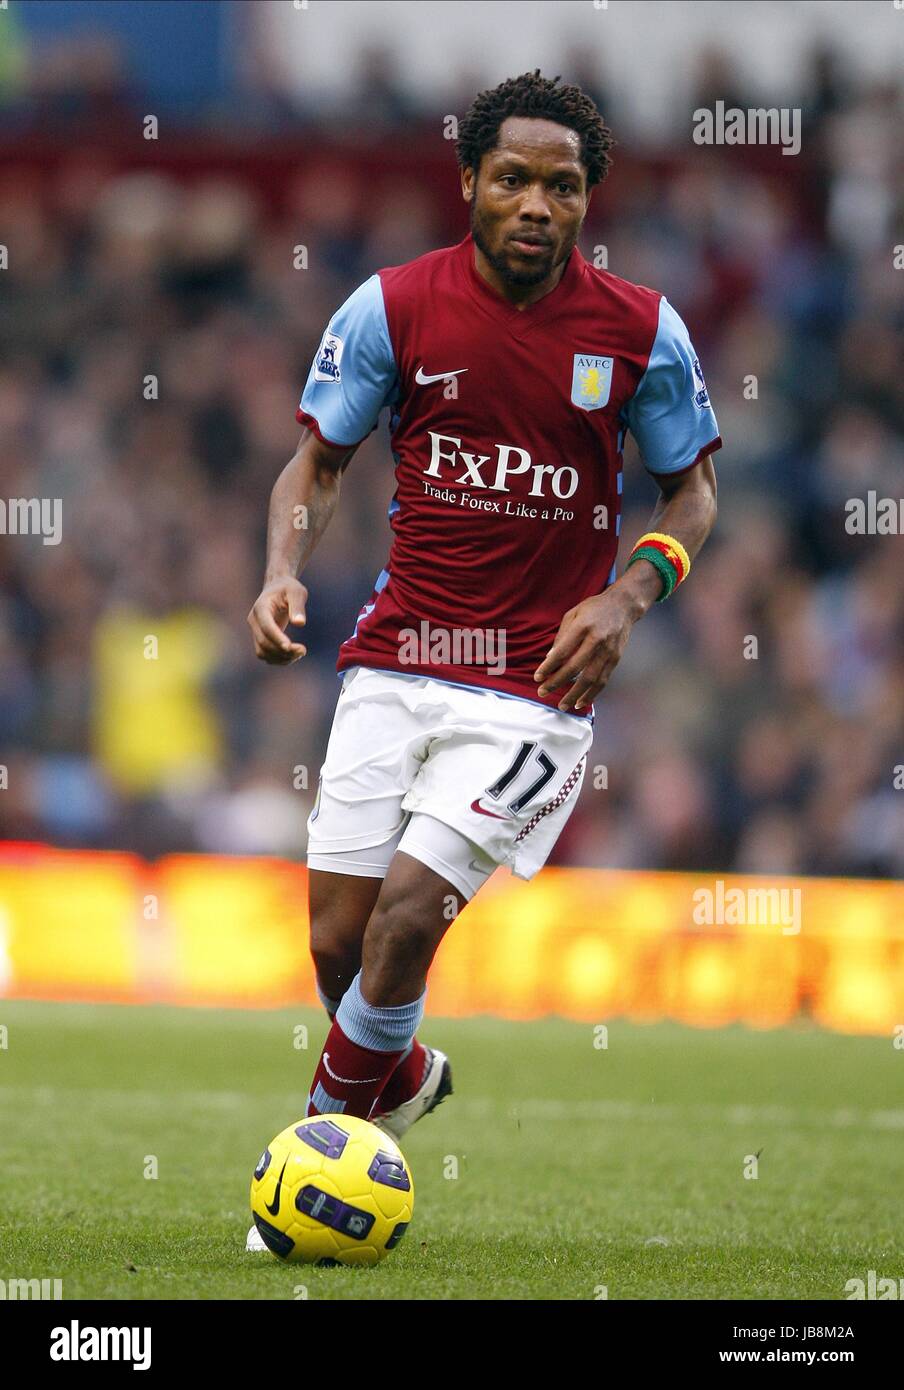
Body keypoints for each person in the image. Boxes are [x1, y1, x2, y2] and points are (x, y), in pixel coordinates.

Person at [246, 71, 721, 1240]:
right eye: (511, 178)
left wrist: (630, 592)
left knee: (406, 921)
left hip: (532, 691)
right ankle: (399, 1076)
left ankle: (297, 1192)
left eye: (563, 187)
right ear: (468, 182)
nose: (535, 205)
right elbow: (317, 465)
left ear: (586, 202)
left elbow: (694, 492)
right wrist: (278, 570)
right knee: (337, 945)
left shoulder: (640, 332)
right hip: (394, 660)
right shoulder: (392, 308)